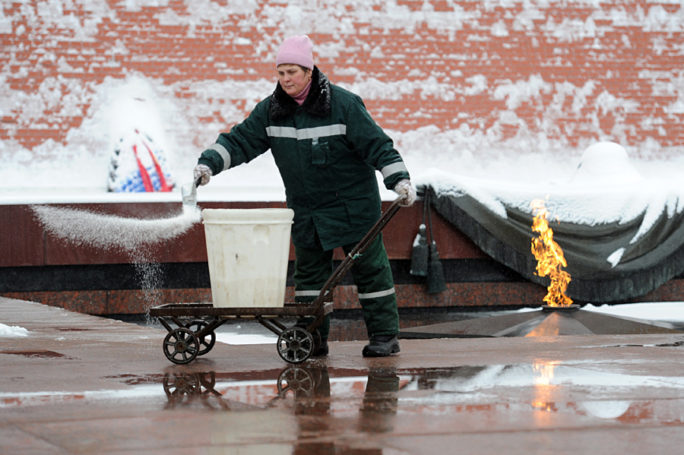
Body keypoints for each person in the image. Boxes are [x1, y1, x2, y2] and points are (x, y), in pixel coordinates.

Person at [194, 35, 416, 357]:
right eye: (280, 73)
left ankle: (384, 337)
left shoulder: (343, 105)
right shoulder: (272, 112)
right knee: (310, 278)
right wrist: (208, 164)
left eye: (292, 72)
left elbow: (377, 145)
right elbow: (240, 141)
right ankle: (313, 338)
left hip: (353, 208)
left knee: (370, 271)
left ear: (309, 72)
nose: (285, 79)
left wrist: (399, 179)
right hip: (308, 211)